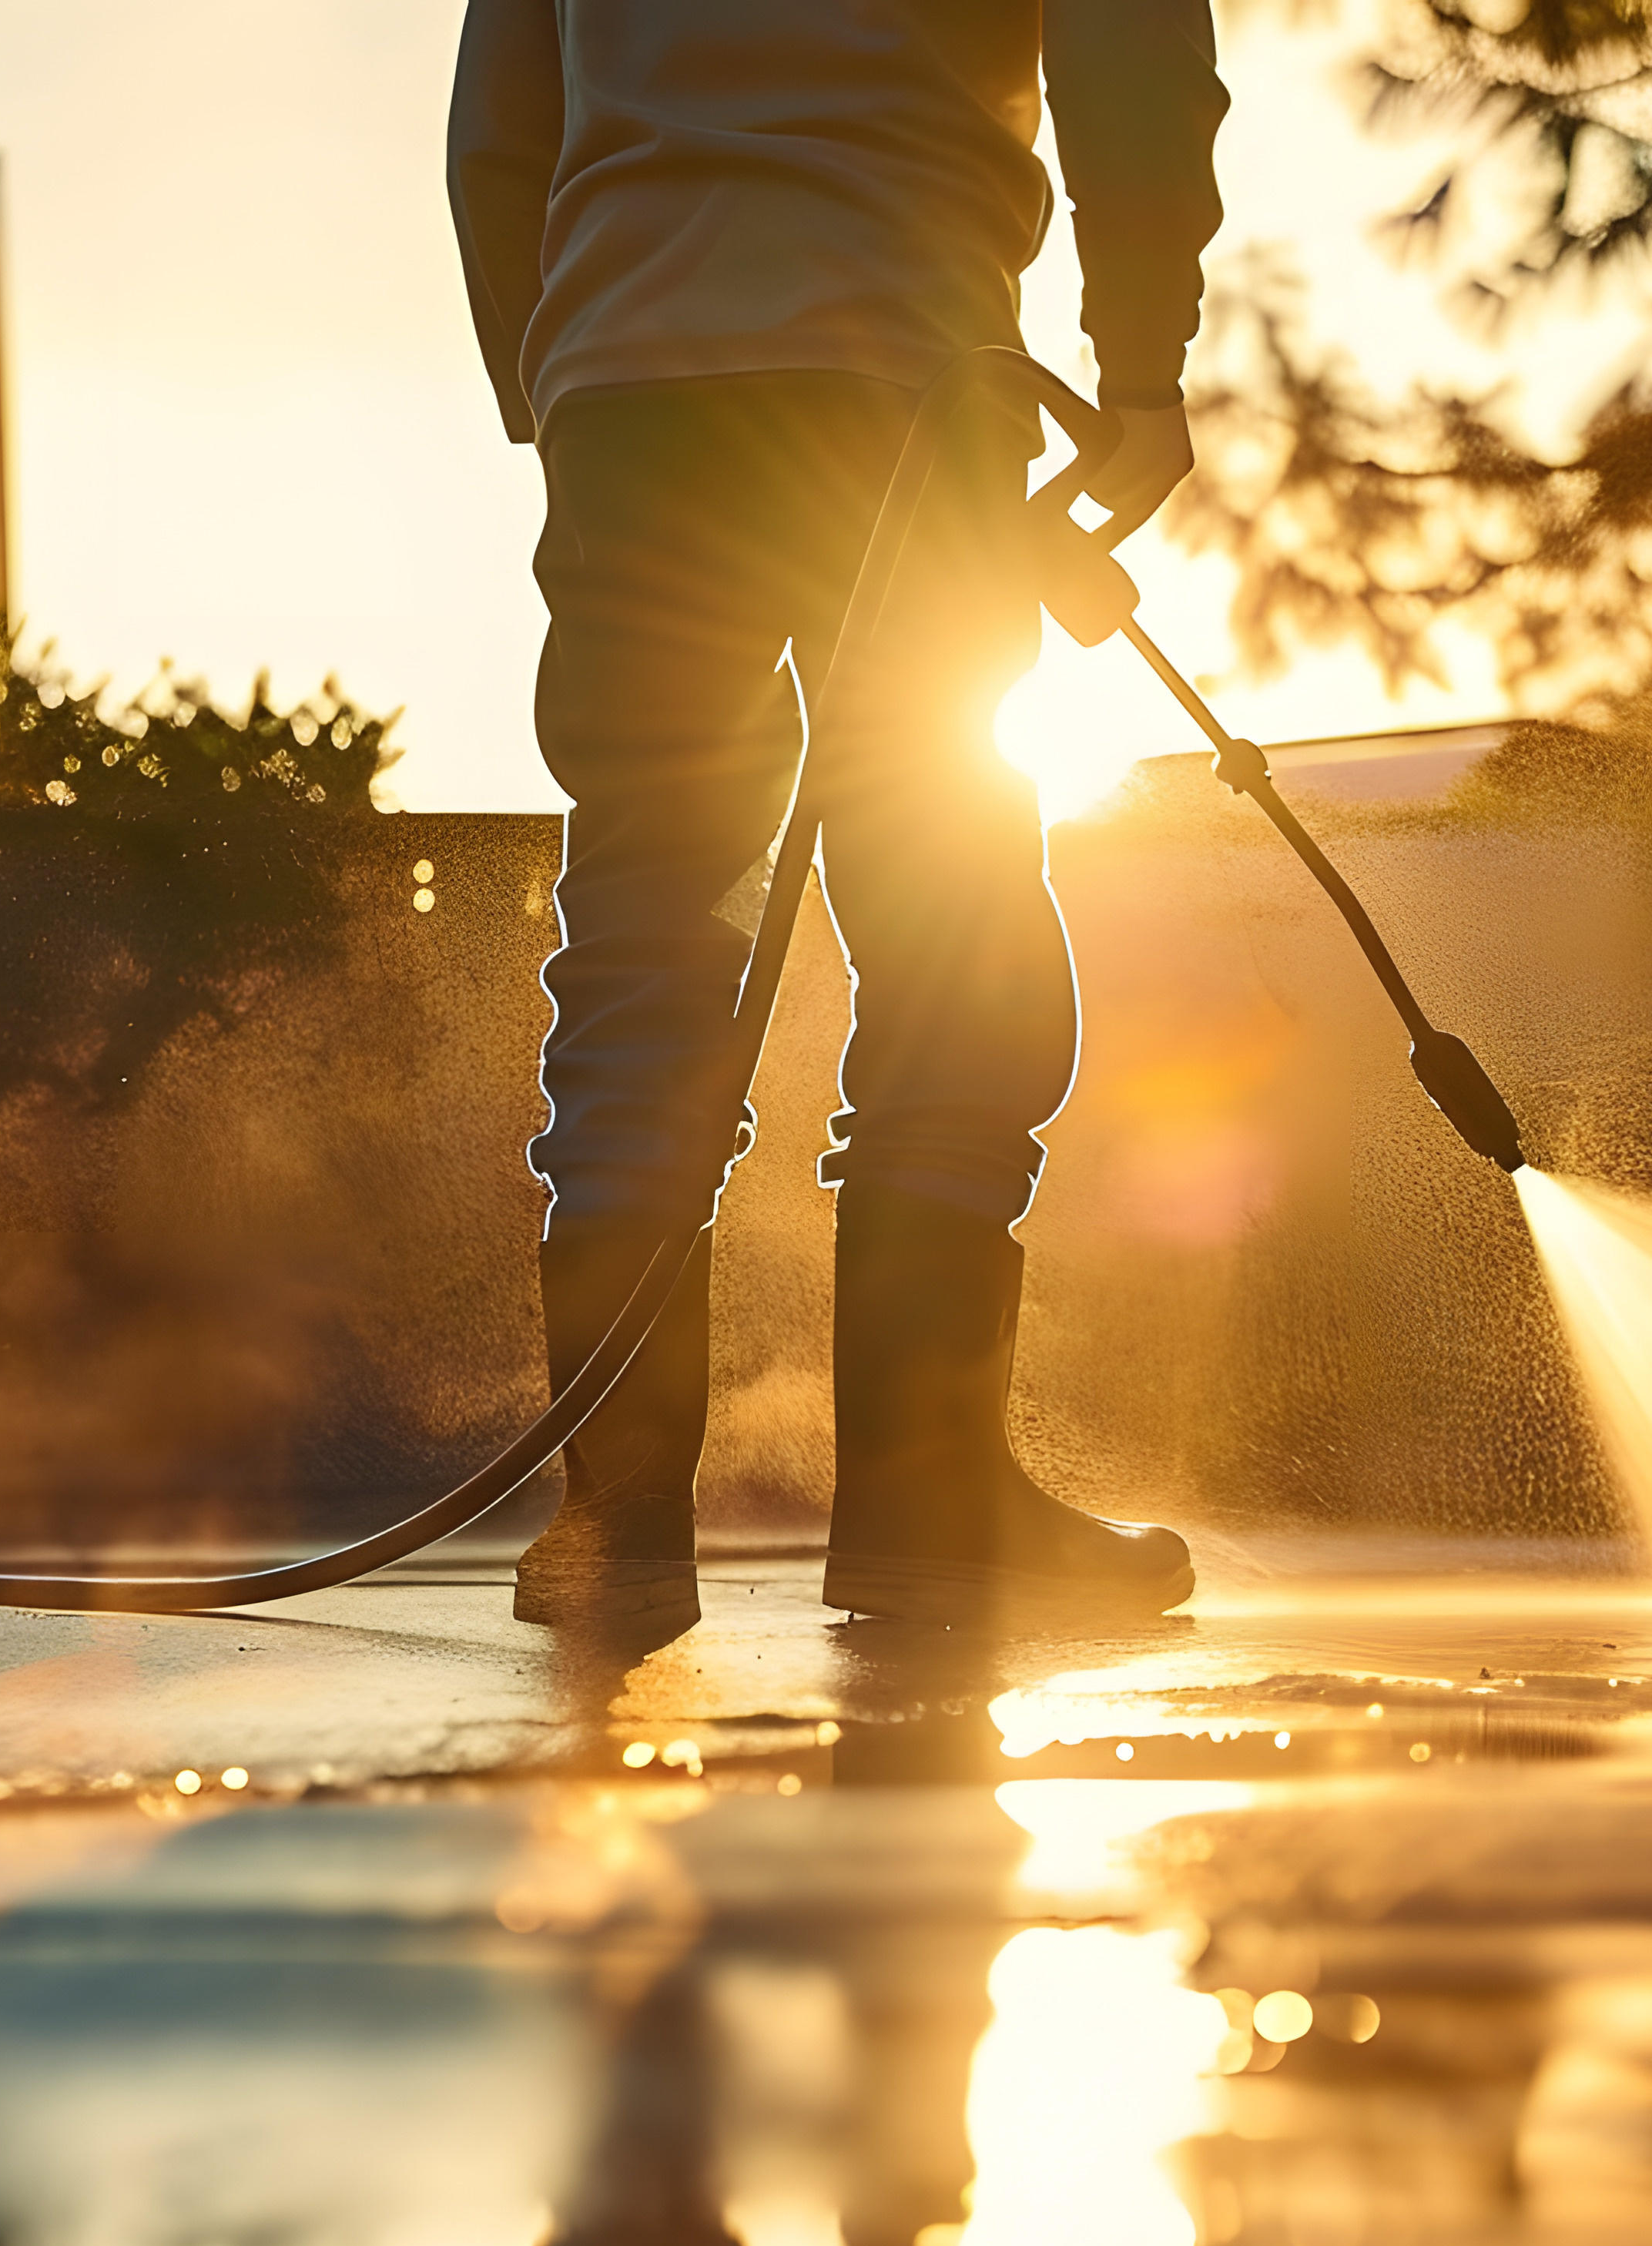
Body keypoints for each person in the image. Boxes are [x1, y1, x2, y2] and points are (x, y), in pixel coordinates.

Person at [446, 0, 1225, 1638]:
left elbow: (499, 112)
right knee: (950, 917)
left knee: (646, 927)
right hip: (902, 362)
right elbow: (1129, 38)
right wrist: (1143, 365)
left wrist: (569, 378)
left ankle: (619, 1521)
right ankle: (930, 1510)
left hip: (630, 380)